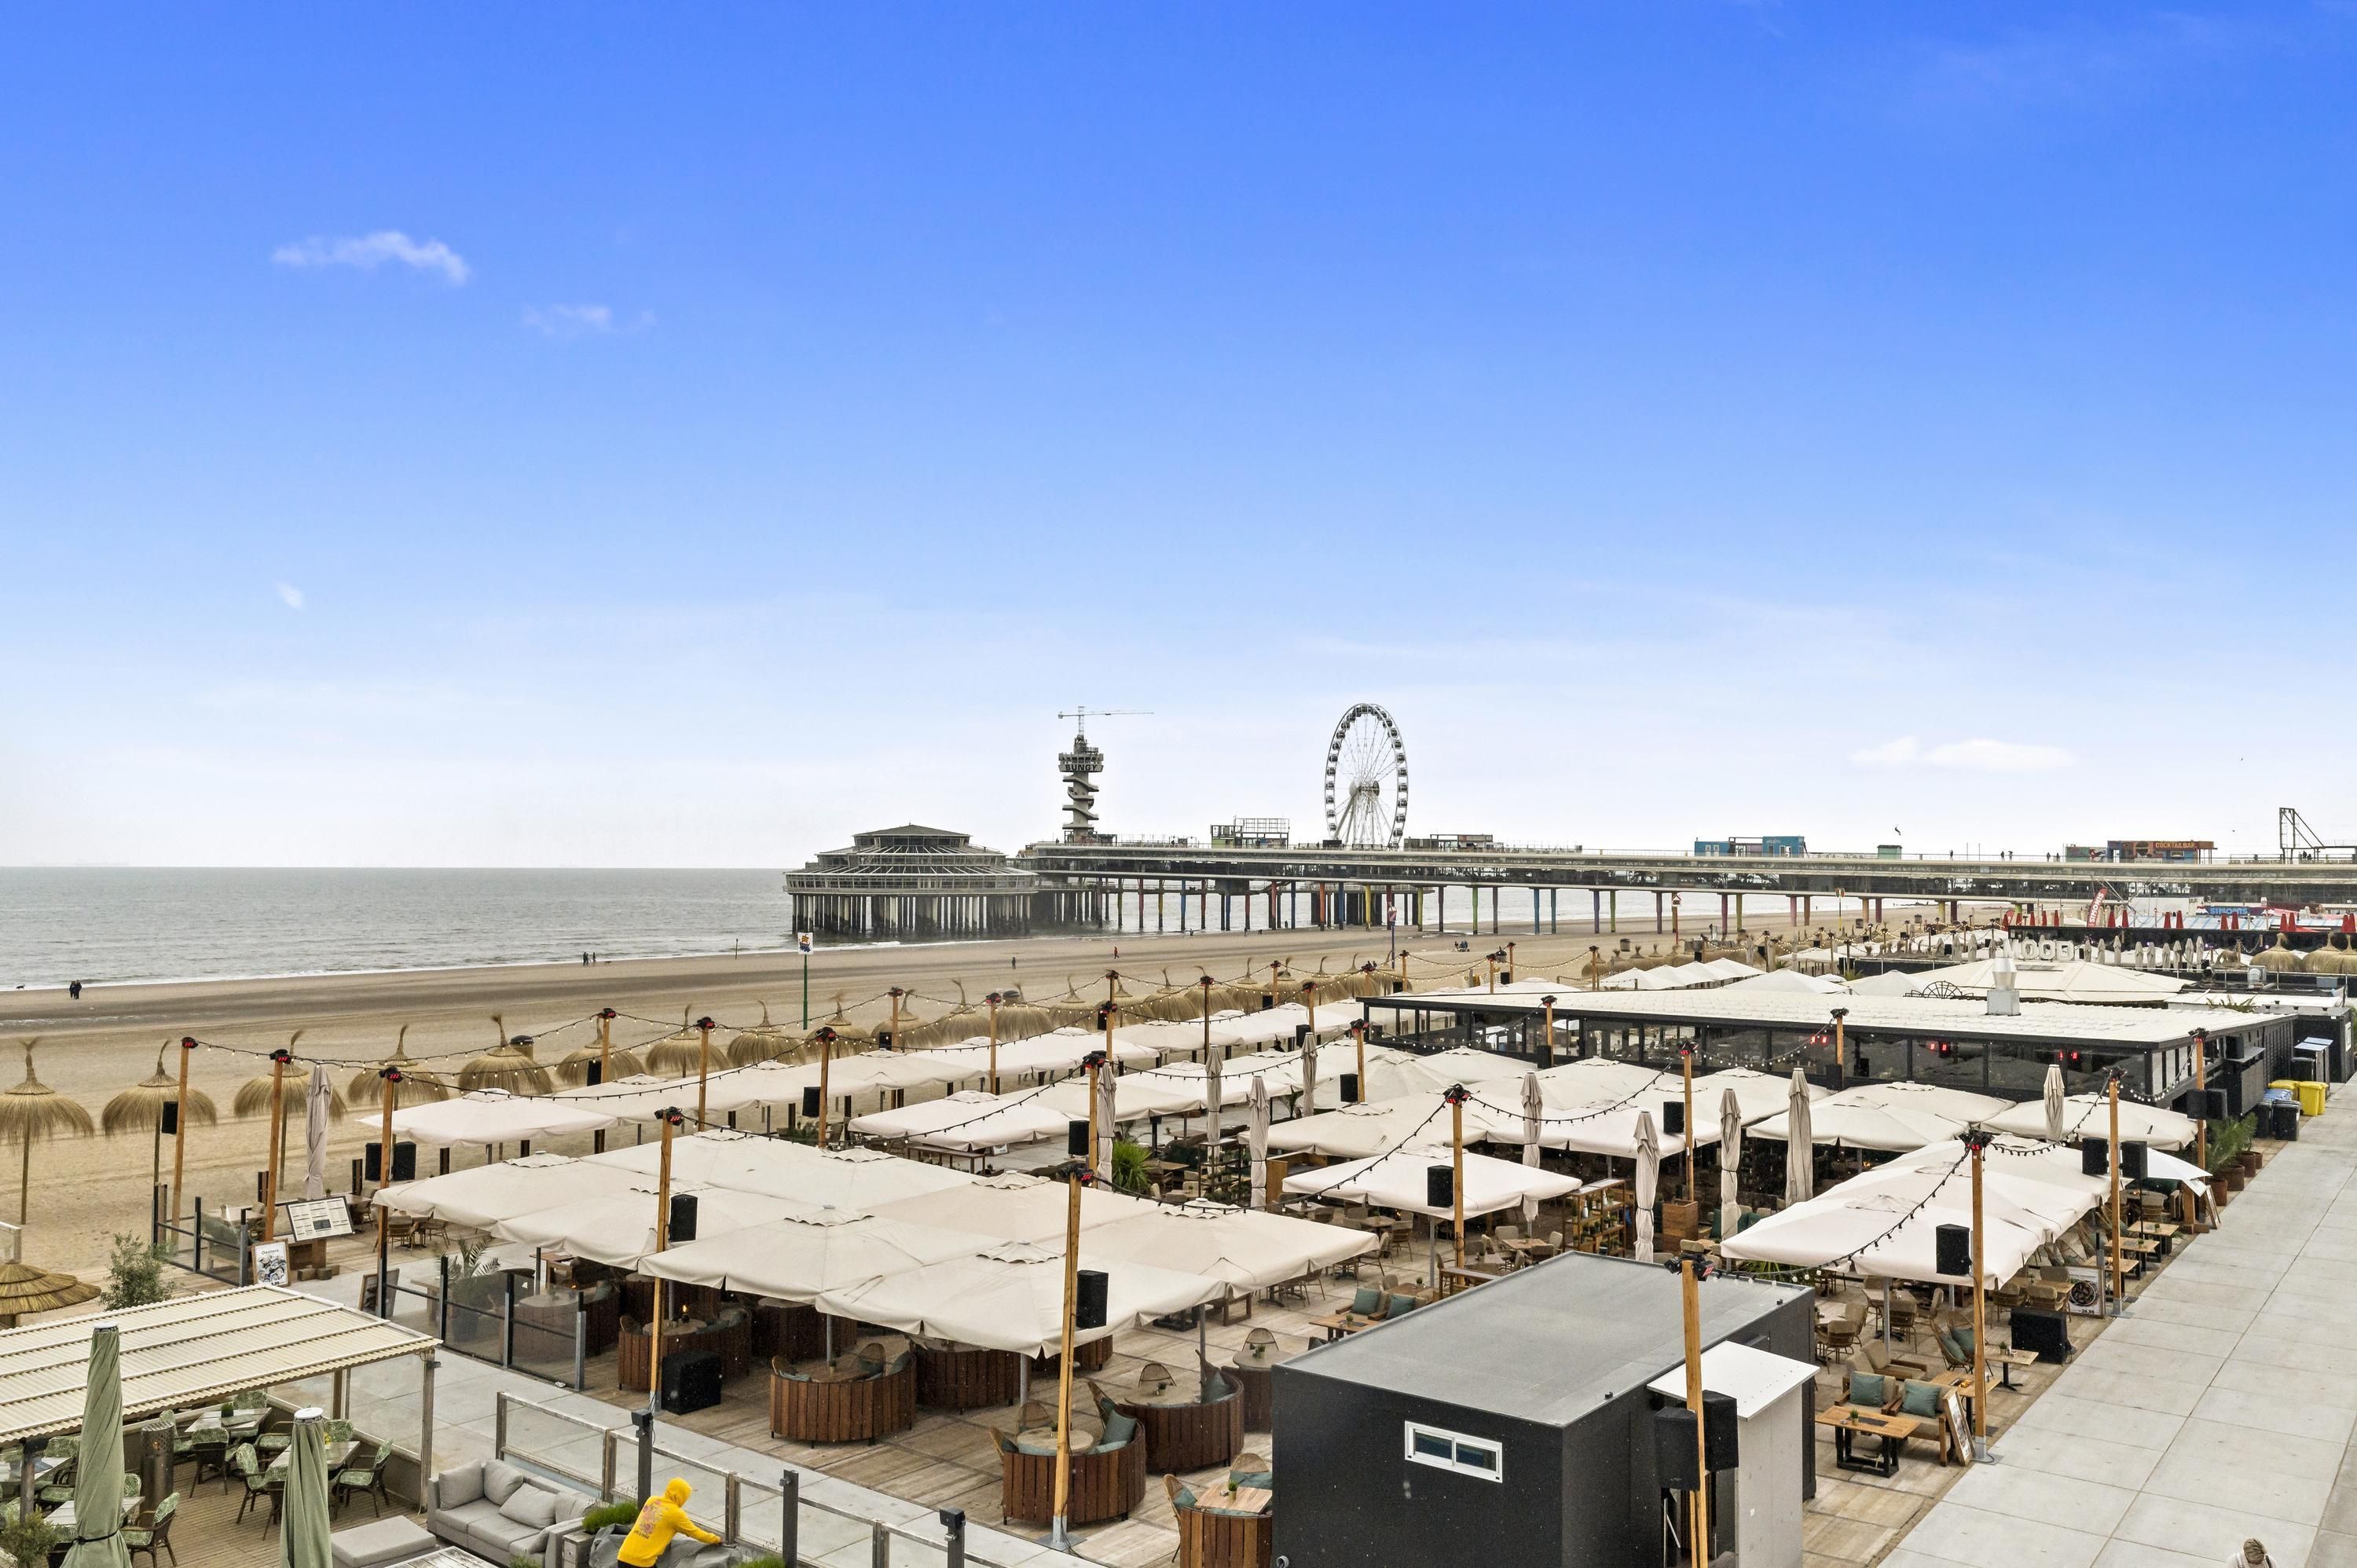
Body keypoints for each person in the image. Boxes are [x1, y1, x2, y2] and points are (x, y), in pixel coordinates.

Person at [616, 1478, 720, 1566]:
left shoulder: (652, 1500)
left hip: (623, 1555)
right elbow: (696, 1533)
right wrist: (717, 1539)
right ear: (681, 1497)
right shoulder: (676, 1514)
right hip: (641, 1562)